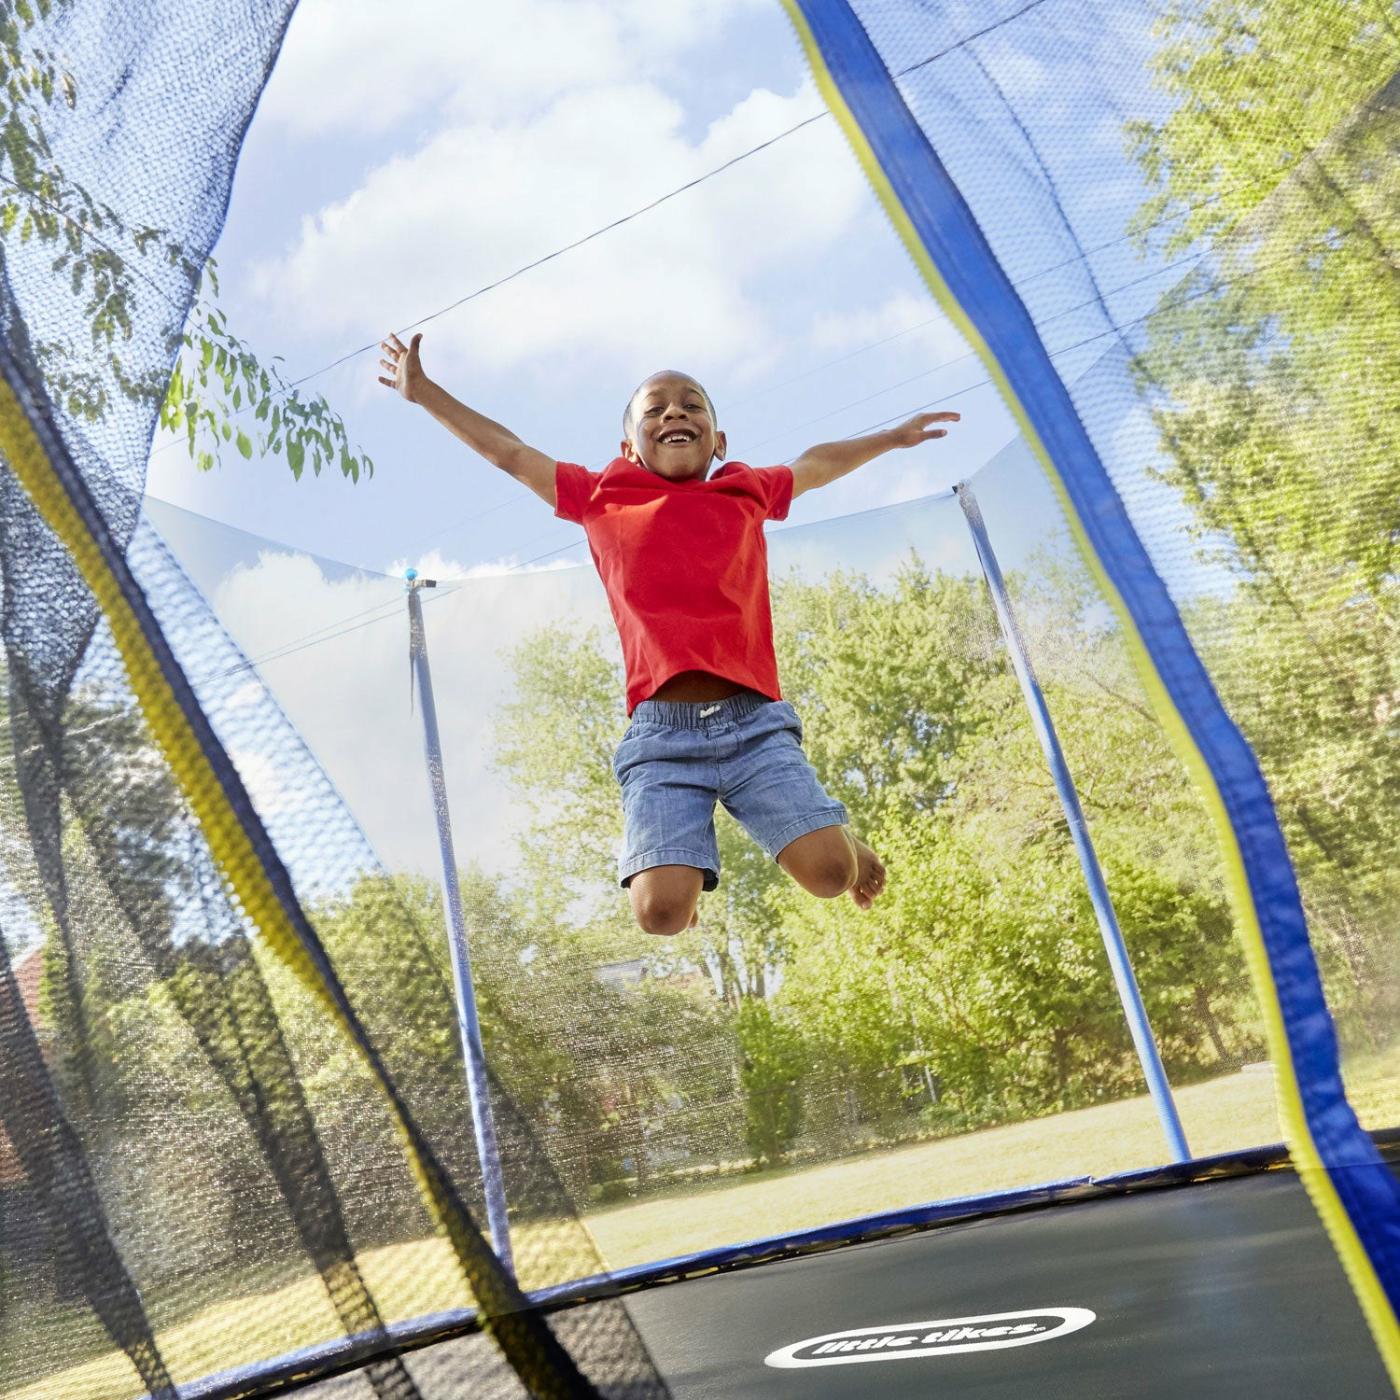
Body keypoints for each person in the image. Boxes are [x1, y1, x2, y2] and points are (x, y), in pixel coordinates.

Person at [379, 332, 959, 935]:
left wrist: (893, 438)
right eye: (654, 409)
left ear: (719, 440)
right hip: (663, 741)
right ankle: (686, 863)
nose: (674, 412)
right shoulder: (601, 495)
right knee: (661, 915)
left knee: (832, 876)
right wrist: (423, 393)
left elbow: (816, 464)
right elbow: (511, 452)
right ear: (629, 446)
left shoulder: (744, 489)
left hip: (754, 726)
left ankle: (833, 835)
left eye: (691, 404)